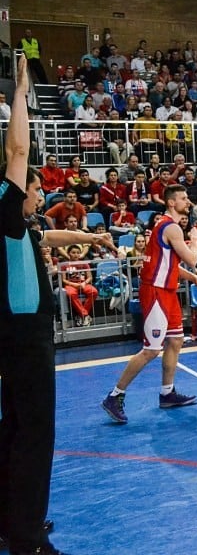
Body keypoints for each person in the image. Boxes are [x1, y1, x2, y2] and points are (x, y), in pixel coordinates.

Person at [1, 55, 89, 555]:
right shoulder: (6, 203)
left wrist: (89, 240)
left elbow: (48, 234)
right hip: (23, 337)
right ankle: (27, 539)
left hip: (11, 337)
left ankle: (12, 521)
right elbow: (17, 147)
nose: (38, 194)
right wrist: (20, 91)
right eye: (35, 187)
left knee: (12, 428)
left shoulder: (18, 225)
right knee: (35, 435)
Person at [101, 185, 197, 424]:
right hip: (156, 292)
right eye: (183, 198)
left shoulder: (165, 227)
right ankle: (114, 396)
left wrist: (194, 278)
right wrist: (194, 239)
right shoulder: (171, 227)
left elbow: (170, 265)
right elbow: (192, 259)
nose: (187, 202)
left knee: (176, 340)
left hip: (167, 292)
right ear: (171, 203)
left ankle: (167, 393)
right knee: (151, 350)